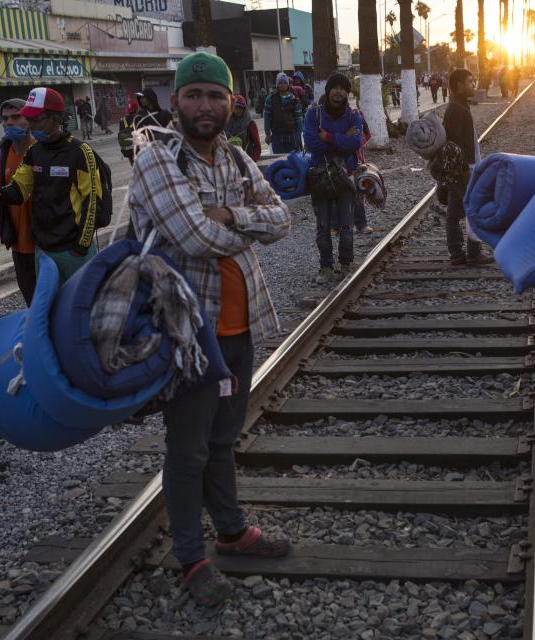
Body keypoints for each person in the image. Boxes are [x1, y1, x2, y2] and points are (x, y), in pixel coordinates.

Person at [127, 51, 292, 607]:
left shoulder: (239, 159)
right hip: (186, 334)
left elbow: (283, 217)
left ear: (231, 101)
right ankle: (192, 559)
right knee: (188, 449)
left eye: (214, 95)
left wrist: (233, 217)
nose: (204, 105)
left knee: (223, 438)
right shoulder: (157, 161)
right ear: (175, 101)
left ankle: (231, 530)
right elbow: (197, 239)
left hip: (239, 325)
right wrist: (244, 224)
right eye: (193, 95)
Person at [0, 87, 103, 285]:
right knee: (49, 310)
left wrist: (81, 246)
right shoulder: (34, 152)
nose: (30, 125)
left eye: (35, 120)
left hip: (74, 251)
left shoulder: (80, 152)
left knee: (80, 308)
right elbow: (20, 189)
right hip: (44, 251)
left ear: (55, 118)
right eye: (28, 120)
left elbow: (93, 202)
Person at [304, 72, 363, 284]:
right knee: (323, 225)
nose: (338, 92)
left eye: (343, 88)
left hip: (346, 175)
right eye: (334, 87)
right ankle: (325, 266)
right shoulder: (314, 114)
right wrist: (341, 139)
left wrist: (328, 137)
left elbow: (356, 142)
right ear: (328, 91)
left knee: (347, 224)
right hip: (320, 175)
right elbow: (312, 143)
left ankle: (346, 263)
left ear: (347, 92)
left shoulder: (353, 115)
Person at [0, 98, 37, 305]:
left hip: (44, 241)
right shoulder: (3, 153)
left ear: (30, 119)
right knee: (30, 299)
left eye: (16, 117)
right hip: (17, 241)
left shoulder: (40, 149)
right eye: (5, 119)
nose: (9, 123)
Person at [443, 69, 493, 267]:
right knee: (474, 207)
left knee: (454, 211)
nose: (473, 84)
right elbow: (455, 144)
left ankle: (456, 253)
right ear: (458, 85)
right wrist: (465, 169)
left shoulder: (459, 106)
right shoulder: (456, 109)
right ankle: (473, 253)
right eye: (469, 81)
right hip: (463, 168)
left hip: (461, 168)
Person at [263, 73, 304, 154]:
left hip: (292, 136)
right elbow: (267, 117)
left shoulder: (294, 99)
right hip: (277, 136)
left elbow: (299, 118)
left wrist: (299, 135)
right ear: (277, 84)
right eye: (280, 82)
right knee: (278, 161)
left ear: (288, 85)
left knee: (293, 162)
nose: (282, 85)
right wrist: (267, 134)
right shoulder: (270, 99)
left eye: (285, 83)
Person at [224, 94, 261, 161]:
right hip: (228, 160)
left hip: (247, 159)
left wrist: (253, 161)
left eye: (241, 107)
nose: (238, 110)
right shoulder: (225, 122)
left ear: (245, 108)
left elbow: (257, 146)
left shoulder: (250, 124)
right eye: (236, 107)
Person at [118, 98, 138, 165]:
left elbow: (121, 132)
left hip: (128, 149)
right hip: (137, 148)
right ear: (136, 109)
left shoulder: (122, 120)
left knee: (133, 165)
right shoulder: (138, 118)